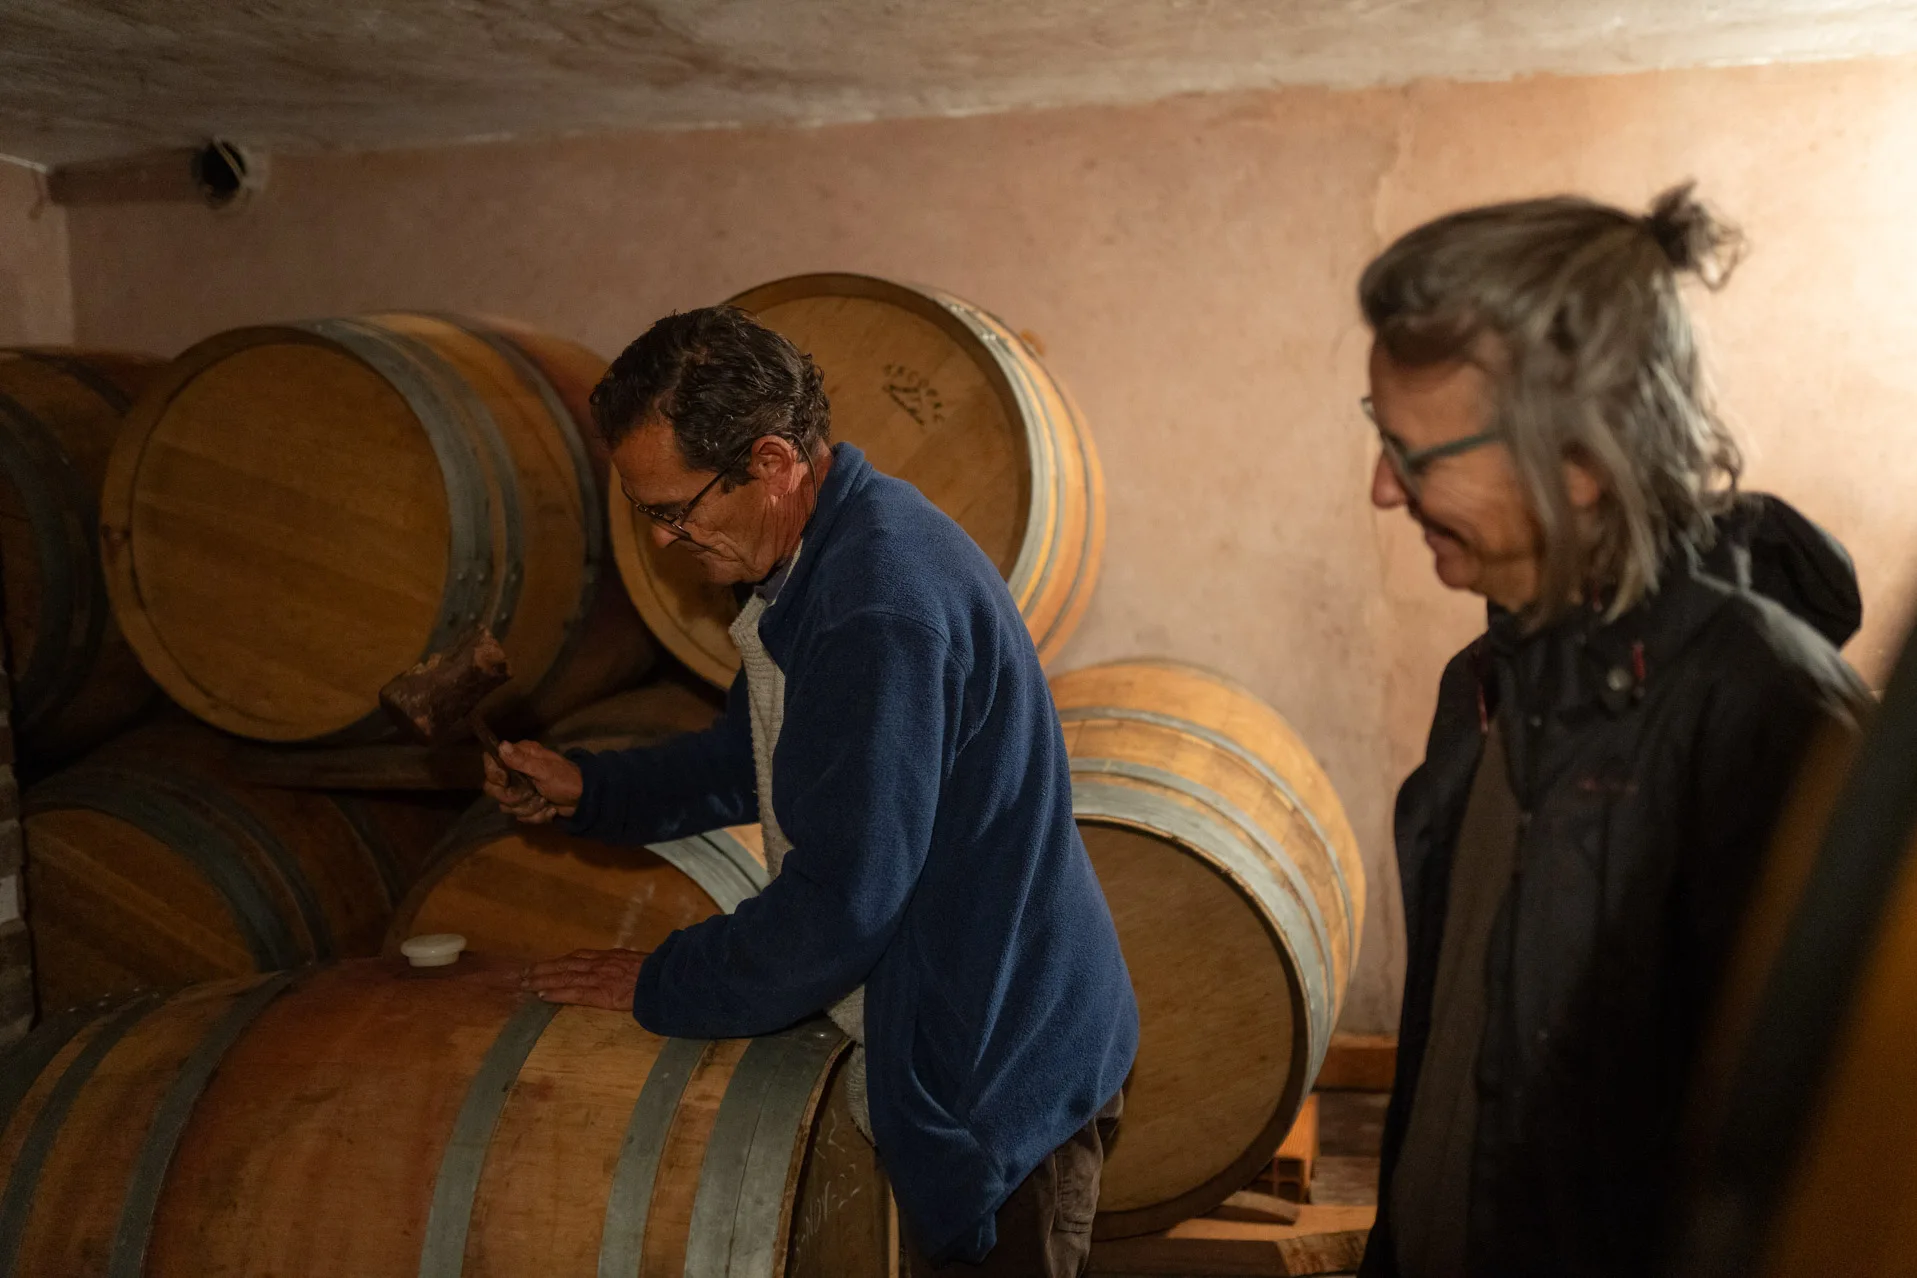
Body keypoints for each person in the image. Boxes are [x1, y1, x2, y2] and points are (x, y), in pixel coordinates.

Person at [481, 305, 1138, 1278]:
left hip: (998, 1065)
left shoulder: (876, 603)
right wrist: (592, 789)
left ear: (775, 461)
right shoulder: (815, 556)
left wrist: (662, 981)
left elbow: (844, 902)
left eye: (677, 509)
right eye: (648, 513)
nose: (664, 541)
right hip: (988, 1011)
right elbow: (766, 758)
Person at [1354, 185, 1871, 1277]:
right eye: (1379, 435)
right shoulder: (1479, 691)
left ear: (1582, 459)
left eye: (1415, 452)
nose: (1382, 491)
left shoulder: (1766, 711)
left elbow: (1828, 1172)